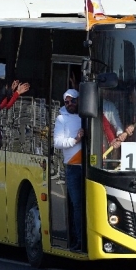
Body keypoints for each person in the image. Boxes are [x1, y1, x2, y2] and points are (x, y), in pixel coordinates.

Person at [53, 89, 84, 251]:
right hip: (73, 167)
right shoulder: (62, 118)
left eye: (73, 101)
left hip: (91, 167)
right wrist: (75, 140)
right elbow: (57, 142)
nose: (70, 104)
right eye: (67, 102)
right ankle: (79, 240)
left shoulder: (87, 116)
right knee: (77, 205)